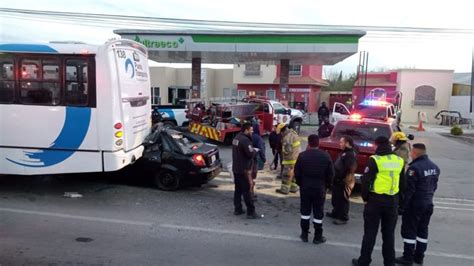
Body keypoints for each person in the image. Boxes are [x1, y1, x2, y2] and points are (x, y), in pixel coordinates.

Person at [352, 136, 405, 266]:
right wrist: (400, 203)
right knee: (388, 235)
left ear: (377, 146)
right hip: (392, 201)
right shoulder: (399, 160)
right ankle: (389, 263)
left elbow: (366, 181)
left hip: (375, 200)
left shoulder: (375, 160)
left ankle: (364, 261)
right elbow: (403, 184)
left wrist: (365, 198)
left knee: (370, 232)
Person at [395, 143, 440, 265]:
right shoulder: (434, 167)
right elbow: (434, 186)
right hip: (428, 203)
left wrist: (403, 206)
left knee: (409, 230)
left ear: (415, 153)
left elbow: (409, 190)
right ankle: (419, 256)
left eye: (411, 153)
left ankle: (407, 257)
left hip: (415, 205)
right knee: (422, 231)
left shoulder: (414, 168)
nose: (410, 154)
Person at [294, 134, 335, 244]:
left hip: (306, 187)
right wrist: (327, 186)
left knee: (305, 211)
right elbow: (330, 174)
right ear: (318, 143)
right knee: (318, 212)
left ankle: (304, 234)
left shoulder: (302, 156)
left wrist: (300, 184)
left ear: (308, 143)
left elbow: (297, 173)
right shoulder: (325, 156)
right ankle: (318, 236)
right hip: (319, 188)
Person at [232, 122, 260, 219]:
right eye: (251, 130)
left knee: (238, 190)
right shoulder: (245, 140)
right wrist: (255, 151)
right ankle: (251, 212)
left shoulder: (236, 138)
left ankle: (238, 209)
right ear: (246, 130)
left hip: (236, 169)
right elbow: (250, 153)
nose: (252, 132)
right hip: (244, 170)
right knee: (247, 191)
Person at [327, 136, 357, 225]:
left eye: (341, 142)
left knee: (343, 199)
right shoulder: (344, 153)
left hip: (345, 180)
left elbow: (350, 168)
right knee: (336, 197)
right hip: (338, 179)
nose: (340, 144)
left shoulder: (350, 154)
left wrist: (343, 177)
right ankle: (335, 212)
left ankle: (343, 217)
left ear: (347, 143)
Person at [276, 123, 301, 195]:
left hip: (290, 159)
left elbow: (288, 150)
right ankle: (293, 188)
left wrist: (282, 151)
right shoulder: (293, 133)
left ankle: (284, 189)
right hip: (296, 158)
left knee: (286, 174)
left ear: (282, 131)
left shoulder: (287, 137)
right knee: (293, 175)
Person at [251, 121, 266, 199]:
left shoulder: (247, 136)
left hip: (246, 161)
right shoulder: (258, 138)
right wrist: (264, 159)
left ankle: (249, 193)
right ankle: (251, 194)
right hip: (254, 161)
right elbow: (261, 149)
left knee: (247, 178)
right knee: (251, 178)